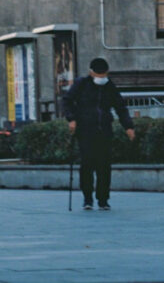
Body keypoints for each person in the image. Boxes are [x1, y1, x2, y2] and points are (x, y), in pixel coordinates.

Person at [64, 57, 134, 211]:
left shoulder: (110, 86)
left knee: (104, 166)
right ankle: (87, 198)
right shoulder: (81, 84)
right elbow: (67, 101)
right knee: (87, 165)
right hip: (85, 130)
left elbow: (121, 107)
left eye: (103, 75)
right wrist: (71, 119)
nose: (101, 78)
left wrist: (128, 126)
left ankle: (103, 199)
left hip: (104, 130)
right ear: (91, 73)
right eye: (98, 75)